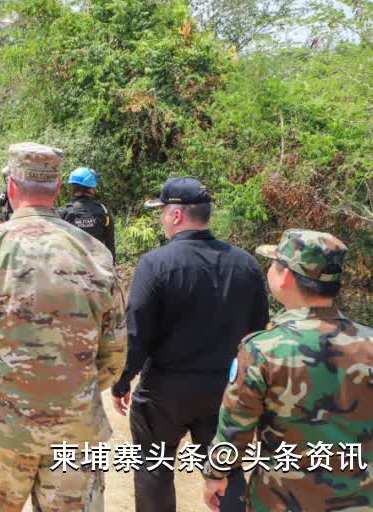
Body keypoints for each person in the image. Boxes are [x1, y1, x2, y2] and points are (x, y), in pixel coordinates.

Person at [0, 143, 125, 512]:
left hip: (0, 431)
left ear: (11, 187)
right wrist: (68, 391)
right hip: (76, 431)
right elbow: (114, 353)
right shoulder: (95, 253)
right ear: (58, 189)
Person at [112, 176, 267, 512]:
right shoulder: (245, 264)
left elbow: (137, 332)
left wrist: (122, 380)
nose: (161, 218)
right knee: (226, 467)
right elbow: (258, 333)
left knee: (153, 466)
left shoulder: (156, 264)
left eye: (162, 211)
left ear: (177, 215)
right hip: (224, 390)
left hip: (164, 392)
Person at [201, 229, 373, 512]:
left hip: (280, 502)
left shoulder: (264, 348)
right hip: (358, 501)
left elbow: (236, 427)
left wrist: (216, 474)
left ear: (285, 275)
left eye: (274, 263)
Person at [58, 166, 116, 263]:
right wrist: (112, 264)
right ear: (92, 186)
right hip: (98, 266)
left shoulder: (62, 212)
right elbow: (110, 242)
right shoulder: (103, 211)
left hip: (73, 267)